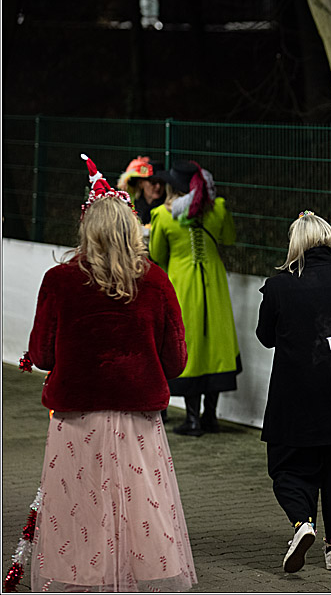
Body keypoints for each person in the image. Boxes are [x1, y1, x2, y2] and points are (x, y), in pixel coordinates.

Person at [24, 155, 197, 592]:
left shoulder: (59, 281)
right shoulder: (155, 282)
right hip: (137, 414)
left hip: (75, 414)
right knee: (142, 507)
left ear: (87, 230)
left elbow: (42, 353)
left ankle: (82, 579)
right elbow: (176, 360)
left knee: (78, 506)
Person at [255, 211, 331, 574]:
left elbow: (265, 337)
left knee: (289, 468)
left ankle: (302, 522)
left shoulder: (278, 285)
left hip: (295, 397)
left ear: (296, 244)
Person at [150, 159, 241, 437]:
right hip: (214, 285)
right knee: (215, 344)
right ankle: (210, 417)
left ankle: (191, 419)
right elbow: (229, 239)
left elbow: (157, 254)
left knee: (190, 343)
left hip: (182, 284)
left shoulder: (163, 216)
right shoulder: (219, 209)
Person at [117, 155, 166, 226]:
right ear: (141, 183)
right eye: (153, 182)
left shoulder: (167, 206)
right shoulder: (131, 205)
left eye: (161, 182)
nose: (158, 186)